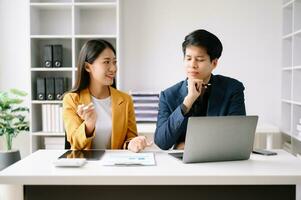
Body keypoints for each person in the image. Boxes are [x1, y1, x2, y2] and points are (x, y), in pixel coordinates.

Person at [154, 29, 246, 150]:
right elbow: (162, 142)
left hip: (221, 162)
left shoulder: (232, 89)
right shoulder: (168, 95)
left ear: (214, 63)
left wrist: (190, 146)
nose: (192, 65)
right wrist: (188, 102)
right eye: (188, 59)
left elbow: (237, 136)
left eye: (200, 59)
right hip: (183, 165)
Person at [63, 39, 151, 152]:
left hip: (115, 167)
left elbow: (130, 138)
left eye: (114, 62)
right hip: (85, 167)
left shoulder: (125, 100)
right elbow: (75, 143)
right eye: (106, 62)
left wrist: (132, 143)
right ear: (87, 67)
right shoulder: (72, 100)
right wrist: (89, 124)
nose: (113, 68)